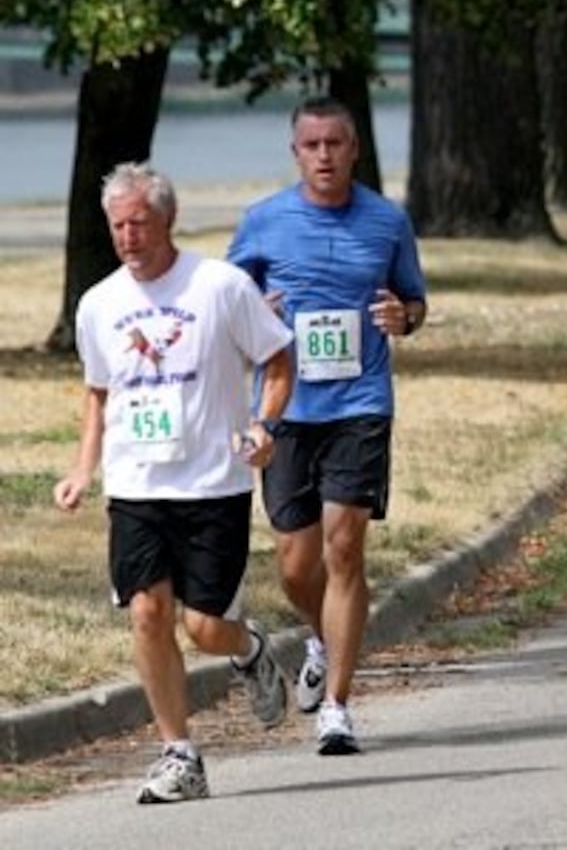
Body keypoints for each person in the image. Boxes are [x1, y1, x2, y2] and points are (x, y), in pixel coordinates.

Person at [54, 162, 294, 803]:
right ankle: (179, 754)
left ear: (169, 220)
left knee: (206, 627)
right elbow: (98, 395)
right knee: (146, 612)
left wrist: (265, 425)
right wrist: (84, 467)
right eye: (117, 226)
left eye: (140, 222)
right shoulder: (99, 304)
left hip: (214, 482)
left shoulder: (219, 286)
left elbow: (276, 357)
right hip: (136, 484)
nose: (129, 236)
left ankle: (248, 649)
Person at [227, 96, 427, 755]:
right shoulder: (264, 222)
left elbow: (414, 300)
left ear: (354, 149)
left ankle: (337, 707)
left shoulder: (385, 220)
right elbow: (226, 308)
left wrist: (405, 317)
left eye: (335, 144)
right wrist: (257, 307)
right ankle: (323, 636)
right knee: (295, 562)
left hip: (361, 404)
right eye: (311, 145)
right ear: (295, 153)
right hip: (287, 408)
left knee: (345, 548)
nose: (324, 155)